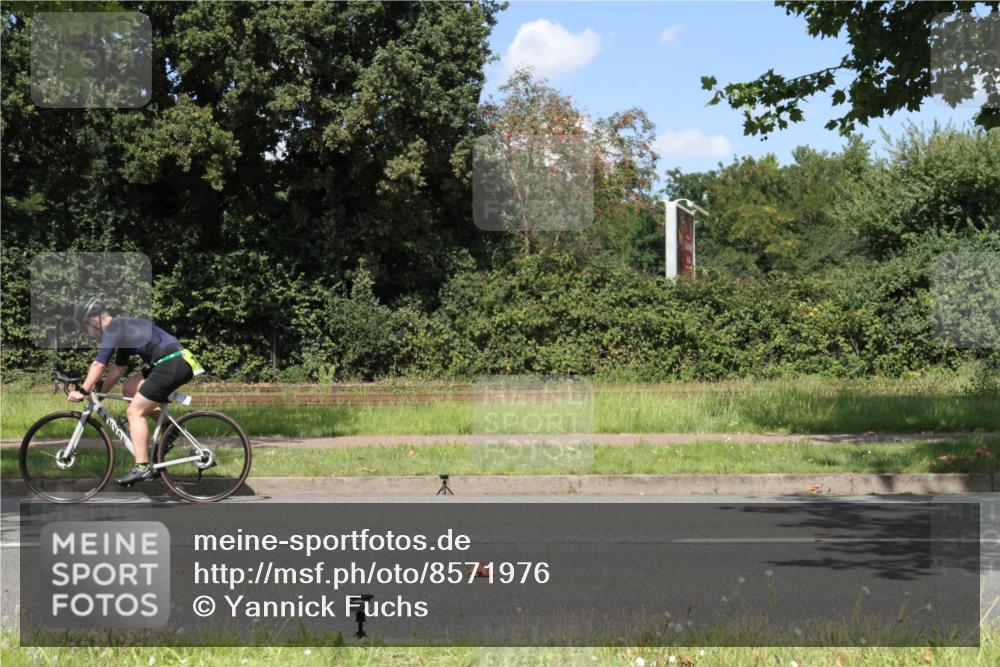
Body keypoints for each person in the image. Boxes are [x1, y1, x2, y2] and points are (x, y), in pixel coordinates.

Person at [68, 296, 203, 486]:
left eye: (85, 329)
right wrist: (98, 396)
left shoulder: (113, 330)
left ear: (93, 320)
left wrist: (83, 391)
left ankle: (142, 467)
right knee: (129, 388)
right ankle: (169, 430)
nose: (87, 334)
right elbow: (117, 369)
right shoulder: (122, 327)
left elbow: (99, 364)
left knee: (134, 412)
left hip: (171, 363)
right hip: (172, 361)